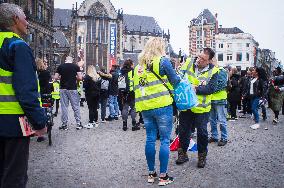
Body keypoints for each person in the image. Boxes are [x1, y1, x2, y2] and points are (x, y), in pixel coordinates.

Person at [0, 3, 47, 187]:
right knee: (14, 177)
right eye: (25, 18)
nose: (28, 22)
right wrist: (40, 122)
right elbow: (26, 91)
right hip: (13, 123)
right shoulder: (17, 46)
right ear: (15, 20)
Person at [133, 38, 180, 186]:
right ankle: (164, 176)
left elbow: (137, 87)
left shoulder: (138, 67)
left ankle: (151, 174)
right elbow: (175, 81)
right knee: (165, 140)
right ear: (160, 47)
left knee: (150, 139)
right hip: (162, 105)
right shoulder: (163, 61)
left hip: (146, 107)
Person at [176, 48, 219, 168]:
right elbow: (178, 76)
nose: (199, 60)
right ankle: (182, 154)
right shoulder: (189, 62)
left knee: (202, 133)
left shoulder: (214, 71)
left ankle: (202, 156)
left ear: (209, 61)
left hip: (202, 109)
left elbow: (211, 89)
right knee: (183, 131)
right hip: (186, 106)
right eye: (199, 56)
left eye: (203, 59)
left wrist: (195, 88)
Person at [54, 56, 83, 130]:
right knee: (75, 106)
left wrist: (62, 77)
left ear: (65, 60)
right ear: (72, 60)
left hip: (63, 89)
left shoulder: (60, 66)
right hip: (72, 88)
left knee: (64, 107)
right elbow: (80, 78)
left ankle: (64, 125)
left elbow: (56, 77)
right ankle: (78, 124)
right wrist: (73, 77)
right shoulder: (76, 66)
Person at [208, 59, 229, 146]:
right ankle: (214, 136)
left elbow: (222, 84)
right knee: (212, 119)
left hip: (220, 99)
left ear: (213, 61)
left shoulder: (221, 70)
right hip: (211, 99)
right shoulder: (210, 70)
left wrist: (209, 90)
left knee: (221, 119)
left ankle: (224, 137)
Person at [120, 59, 140, 131]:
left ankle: (124, 124)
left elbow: (120, 84)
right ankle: (134, 124)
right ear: (131, 64)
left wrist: (122, 93)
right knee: (133, 108)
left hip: (124, 93)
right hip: (133, 92)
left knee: (125, 108)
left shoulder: (121, 72)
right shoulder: (133, 72)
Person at [36, 58, 52, 143]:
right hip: (45, 94)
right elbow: (50, 84)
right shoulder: (46, 73)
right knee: (47, 110)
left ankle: (40, 134)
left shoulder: (34, 73)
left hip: (37, 95)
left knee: (38, 112)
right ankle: (47, 125)